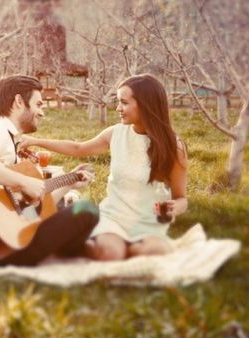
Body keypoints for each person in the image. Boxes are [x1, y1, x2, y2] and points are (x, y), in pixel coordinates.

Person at [19, 74, 188, 260]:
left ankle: (116, 248)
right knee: (110, 254)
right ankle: (71, 243)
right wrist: (35, 140)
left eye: (124, 102)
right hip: (114, 216)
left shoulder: (174, 147)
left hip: (149, 222)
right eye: (118, 102)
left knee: (150, 254)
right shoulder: (116, 133)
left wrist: (174, 207)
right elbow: (78, 148)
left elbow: (182, 199)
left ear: (145, 105)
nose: (118, 108)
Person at [0, 74, 99, 266]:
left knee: (71, 209)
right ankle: (70, 253)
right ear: (19, 101)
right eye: (39, 104)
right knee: (87, 209)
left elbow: (31, 213)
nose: (42, 113)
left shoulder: (8, 140)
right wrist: (24, 181)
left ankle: (68, 252)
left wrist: (69, 184)